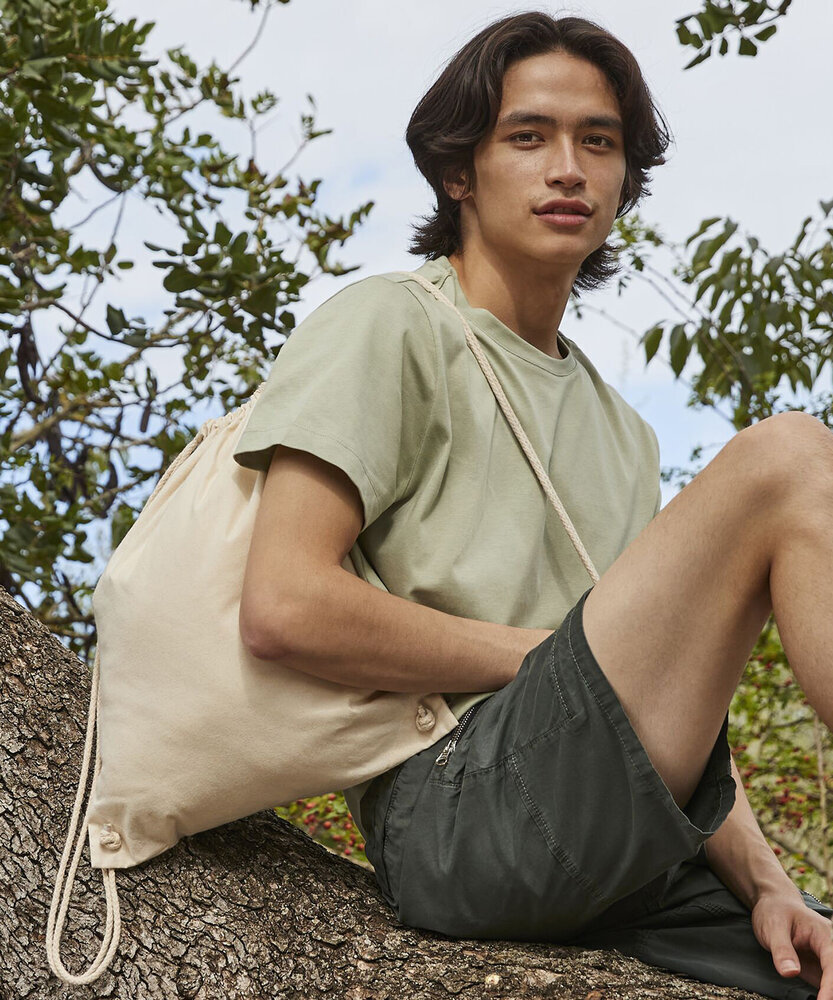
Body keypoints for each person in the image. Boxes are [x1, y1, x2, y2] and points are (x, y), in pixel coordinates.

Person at [232, 11, 833, 999]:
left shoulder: (620, 430)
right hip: (458, 809)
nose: (567, 168)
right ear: (457, 173)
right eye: (527, 136)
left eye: (597, 142)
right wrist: (545, 657)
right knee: (789, 454)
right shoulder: (391, 326)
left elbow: (658, 706)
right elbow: (283, 605)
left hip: (627, 833)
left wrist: (770, 885)